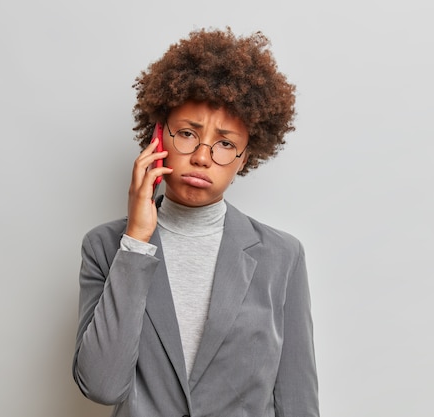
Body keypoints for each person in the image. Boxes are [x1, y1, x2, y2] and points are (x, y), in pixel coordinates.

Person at [72, 27, 319, 417]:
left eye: (224, 143)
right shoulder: (106, 246)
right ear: (158, 135)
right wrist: (136, 239)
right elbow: (103, 386)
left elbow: (297, 398)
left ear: (244, 157)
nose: (202, 157)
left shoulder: (281, 256)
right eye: (187, 134)